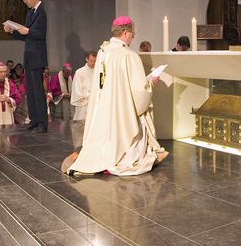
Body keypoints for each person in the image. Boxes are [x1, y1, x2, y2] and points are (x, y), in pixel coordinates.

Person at [63, 17, 168, 176]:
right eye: (133, 33)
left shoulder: (103, 52)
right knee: (141, 122)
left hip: (103, 109)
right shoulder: (128, 55)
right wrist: (151, 81)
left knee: (101, 143)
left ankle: (92, 157)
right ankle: (119, 156)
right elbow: (140, 92)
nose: (133, 37)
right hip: (120, 113)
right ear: (125, 32)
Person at [6, 0, 48, 132]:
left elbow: (40, 34)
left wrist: (28, 30)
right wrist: (13, 31)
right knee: (30, 91)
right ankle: (34, 120)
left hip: (38, 56)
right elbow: (26, 36)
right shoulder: (30, 13)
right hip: (29, 56)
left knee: (38, 91)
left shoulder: (42, 11)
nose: (25, 2)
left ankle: (42, 123)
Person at [70, 50, 96, 122]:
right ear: (86, 59)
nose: (93, 63)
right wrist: (89, 95)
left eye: (95, 61)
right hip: (83, 104)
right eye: (91, 61)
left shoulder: (98, 72)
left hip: (95, 104)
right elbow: (77, 91)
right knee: (81, 129)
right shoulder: (79, 72)